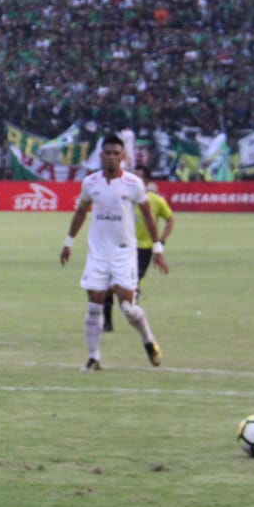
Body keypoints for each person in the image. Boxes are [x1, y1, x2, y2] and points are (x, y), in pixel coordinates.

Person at [59, 134, 168, 371]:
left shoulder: (133, 184)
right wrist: (68, 242)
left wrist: (158, 248)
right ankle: (93, 357)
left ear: (123, 156)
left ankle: (148, 339)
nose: (111, 157)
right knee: (93, 305)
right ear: (101, 155)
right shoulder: (90, 183)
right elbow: (80, 212)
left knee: (128, 308)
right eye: (107, 153)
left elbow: (149, 216)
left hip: (123, 254)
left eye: (116, 153)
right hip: (97, 253)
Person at [101, 169, 173, 333]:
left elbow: (170, 220)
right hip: (120, 247)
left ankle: (135, 310)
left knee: (131, 284)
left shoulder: (156, 201)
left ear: (146, 182)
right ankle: (107, 322)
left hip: (143, 249)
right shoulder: (121, 199)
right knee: (107, 284)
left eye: (140, 178)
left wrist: (160, 242)